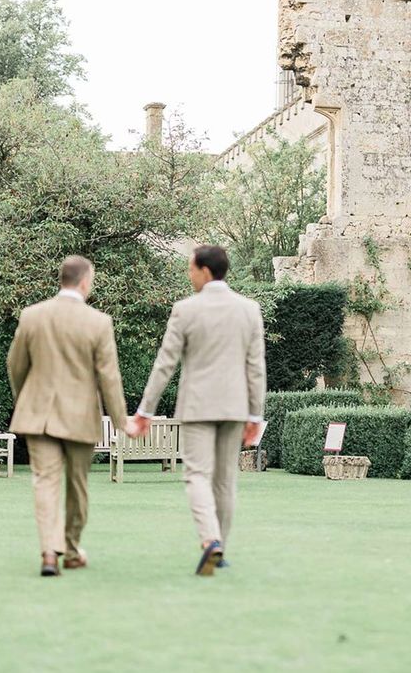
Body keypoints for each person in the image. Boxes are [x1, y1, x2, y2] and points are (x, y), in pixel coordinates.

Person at [132, 244, 266, 576]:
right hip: (235, 408)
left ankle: (210, 541)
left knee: (196, 475)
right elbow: (256, 369)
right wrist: (255, 415)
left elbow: (165, 364)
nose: (188, 274)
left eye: (190, 268)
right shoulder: (249, 310)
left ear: (205, 271)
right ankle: (220, 545)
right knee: (225, 480)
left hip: (197, 406)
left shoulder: (185, 310)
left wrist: (145, 410)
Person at [7, 255, 136, 577]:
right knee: (77, 486)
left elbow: (15, 366)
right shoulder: (98, 322)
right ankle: (72, 549)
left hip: (39, 416)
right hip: (80, 418)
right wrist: (122, 421)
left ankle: (49, 552)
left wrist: (26, 399)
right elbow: (110, 377)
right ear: (84, 281)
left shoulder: (32, 315)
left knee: (45, 483)